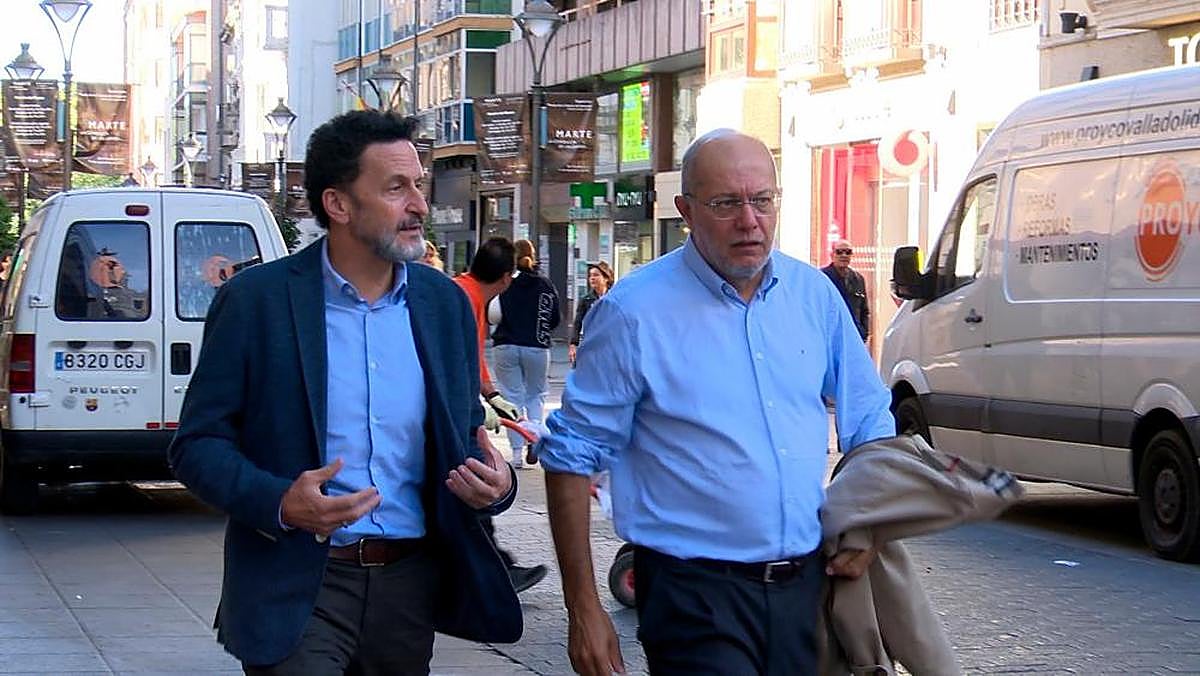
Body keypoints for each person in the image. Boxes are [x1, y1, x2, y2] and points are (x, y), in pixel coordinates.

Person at [168, 110, 521, 675]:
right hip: (300, 584)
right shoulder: (257, 302)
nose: (419, 205)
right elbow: (197, 445)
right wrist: (281, 502)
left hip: (408, 587)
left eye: (419, 185)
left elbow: (463, 441)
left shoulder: (443, 305)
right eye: (396, 188)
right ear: (338, 204)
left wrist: (496, 486)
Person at [537, 128, 895, 676]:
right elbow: (570, 455)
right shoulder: (634, 313)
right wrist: (582, 607)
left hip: (804, 588)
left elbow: (869, 417)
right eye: (726, 204)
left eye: (762, 200)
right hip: (694, 596)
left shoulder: (813, 296)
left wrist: (869, 521)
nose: (749, 220)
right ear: (686, 210)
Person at [454, 238, 549, 594]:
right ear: (507, 278)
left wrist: (491, 395)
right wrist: (475, 408)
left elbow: (471, 357)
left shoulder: (469, 295)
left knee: (468, 491)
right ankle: (497, 571)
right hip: (454, 416)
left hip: (460, 410)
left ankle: (496, 568)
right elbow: (454, 360)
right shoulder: (464, 299)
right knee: (474, 484)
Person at [491, 239, 561, 468]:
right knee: (536, 395)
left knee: (511, 397)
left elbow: (490, 310)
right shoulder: (545, 284)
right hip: (537, 346)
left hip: (506, 344)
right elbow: (554, 318)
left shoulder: (504, 282)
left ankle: (516, 454)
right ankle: (534, 439)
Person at [821, 239, 871, 342]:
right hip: (830, 335)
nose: (844, 255)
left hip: (854, 335)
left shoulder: (858, 279)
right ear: (832, 255)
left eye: (848, 252)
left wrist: (864, 333)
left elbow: (864, 310)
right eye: (839, 252)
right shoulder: (822, 277)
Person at [567, 261, 613, 366]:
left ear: (606, 278)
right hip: (591, 342)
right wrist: (574, 344)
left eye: (596, 275)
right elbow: (578, 322)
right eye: (590, 276)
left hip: (609, 343)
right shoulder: (586, 300)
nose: (592, 278)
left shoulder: (613, 298)